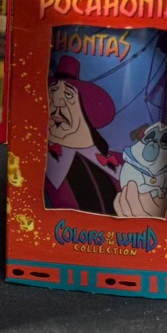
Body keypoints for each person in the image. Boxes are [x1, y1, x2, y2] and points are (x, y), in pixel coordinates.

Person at [45, 55, 121, 215]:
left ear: (86, 108)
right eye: (52, 92)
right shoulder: (37, 164)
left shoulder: (122, 163)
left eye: (68, 95)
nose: (57, 102)